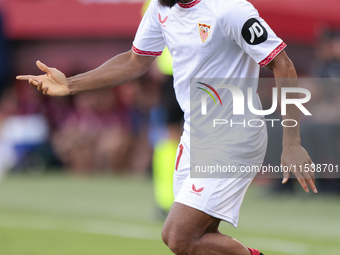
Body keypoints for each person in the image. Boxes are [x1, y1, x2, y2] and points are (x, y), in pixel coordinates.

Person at [17, 0, 318, 254]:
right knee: (197, 240)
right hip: (195, 134)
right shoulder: (160, 9)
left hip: (234, 135)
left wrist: (291, 141)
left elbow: (284, 64)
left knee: (178, 237)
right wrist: (70, 84)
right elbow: (134, 61)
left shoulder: (229, 9)